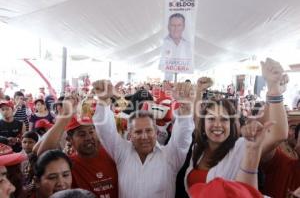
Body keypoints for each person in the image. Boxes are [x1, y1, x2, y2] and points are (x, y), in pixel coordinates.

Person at [176, 58, 289, 197]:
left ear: (232, 125)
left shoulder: (241, 148)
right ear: (203, 124)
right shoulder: (198, 148)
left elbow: (278, 134)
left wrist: (274, 89)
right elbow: (197, 118)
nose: (217, 124)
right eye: (211, 119)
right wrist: (199, 91)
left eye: (224, 119)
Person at [92, 80, 195, 198]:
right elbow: (106, 131)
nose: (144, 136)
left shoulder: (170, 156)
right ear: (130, 134)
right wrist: (103, 101)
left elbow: (183, 136)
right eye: (138, 132)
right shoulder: (122, 152)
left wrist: (186, 109)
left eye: (149, 130)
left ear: (156, 132)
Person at [37, 95, 118, 198]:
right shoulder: (68, 164)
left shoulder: (112, 153)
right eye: (82, 134)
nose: (88, 137)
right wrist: (66, 116)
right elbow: (43, 155)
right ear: (69, 139)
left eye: (91, 131)